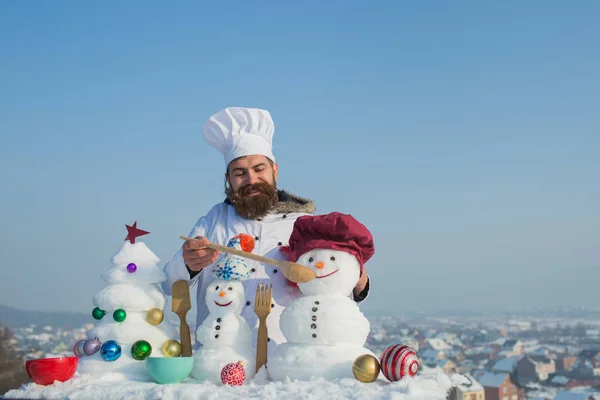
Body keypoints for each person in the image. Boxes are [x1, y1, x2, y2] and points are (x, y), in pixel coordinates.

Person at [161, 106, 371, 352]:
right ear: (228, 179)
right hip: (219, 360)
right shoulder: (213, 221)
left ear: (275, 170)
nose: (251, 180)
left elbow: (331, 288)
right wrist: (187, 263)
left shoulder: (304, 224)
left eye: (259, 169)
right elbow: (169, 284)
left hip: (283, 359)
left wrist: (358, 282)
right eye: (240, 173)